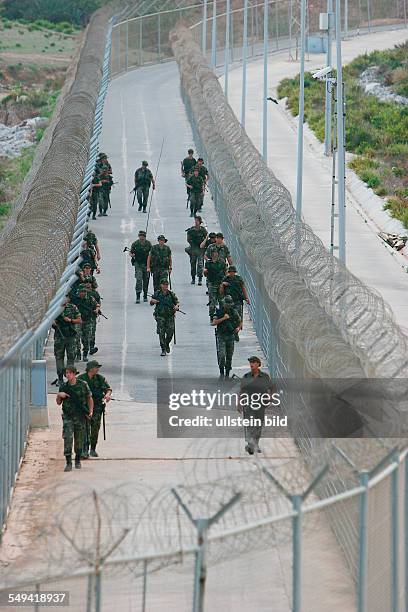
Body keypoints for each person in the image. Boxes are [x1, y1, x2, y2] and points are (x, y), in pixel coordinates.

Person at [56, 366, 93, 471]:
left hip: (80, 416)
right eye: (66, 373)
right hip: (68, 416)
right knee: (68, 437)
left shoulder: (83, 385)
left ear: (74, 374)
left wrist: (90, 411)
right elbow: (58, 403)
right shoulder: (63, 386)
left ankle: (77, 459)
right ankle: (68, 461)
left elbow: (89, 398)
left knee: (79, 438)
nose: (68, 375)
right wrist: (59, 395)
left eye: (70, 373)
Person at [239, 356, 273, 455]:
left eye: (254, 362)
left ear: (258, 364)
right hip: (248, 403)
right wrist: (239, 403)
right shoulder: (246, 376)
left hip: (260, 403)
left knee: (258, 424)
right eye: (250, 362)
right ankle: (250, 443)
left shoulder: (265, 376)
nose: (251, 364)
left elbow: (271, 387)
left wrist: (270, 397)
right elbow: (241, 390)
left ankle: (255, 443)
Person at [78, 361, 112, 458]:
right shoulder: (81, 379)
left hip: (97, 407)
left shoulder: (100, 378)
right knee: (85, 429)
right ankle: (85, 449)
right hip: (84, 408)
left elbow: (108, 389)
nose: (98, 369)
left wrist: (107, 395)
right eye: (96, 367)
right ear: (91, 368)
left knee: (95, 428)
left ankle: (93, 448)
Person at [52, 298, 82, 386]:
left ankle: (70, 379)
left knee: (71, 358)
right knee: (59, 357)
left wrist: (70, 320)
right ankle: (60, 378)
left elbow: (79, 320)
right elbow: (50, 320)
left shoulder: (72, 307)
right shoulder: (55, 308)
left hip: (70, 336)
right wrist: (54, 323)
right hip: (59, 336)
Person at [211, 295, 241, 379]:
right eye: (227, 303)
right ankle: (221, 372)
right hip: (222, 336)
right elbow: (213, 323)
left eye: (230, 304)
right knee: (222, 355)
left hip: (231, 336)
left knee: (229, 356)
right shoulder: (219, 312)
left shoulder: (234, 312)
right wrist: (223, 318)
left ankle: (227, 372)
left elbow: (239, 321)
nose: (229, 305)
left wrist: (238, 328)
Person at [150, 279, 179, 356]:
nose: (166, 286)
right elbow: (151, 302)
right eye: (164, 284)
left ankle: (167, 343)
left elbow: (177, 302)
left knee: (170, 332)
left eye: (167, 285)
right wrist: (153, 301)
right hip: (160, 316)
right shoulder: (157, 294)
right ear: (161, 285)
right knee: (161, 333)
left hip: (170, 316)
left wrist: (176, 306)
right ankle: (163, 348)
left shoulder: (171, 294)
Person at [72, 284, 100, 362]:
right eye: (82, 291)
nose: (83, 293)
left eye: (84, 291)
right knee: (76, 337)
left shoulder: (90, 298)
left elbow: (97, 305)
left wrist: (96, 310)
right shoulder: (75, 299)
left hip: (87, 320)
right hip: (78, 321)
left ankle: (85, 354)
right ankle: (77, 354)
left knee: (86, 338)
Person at [130, 230, 152, 303]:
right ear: (139, 236)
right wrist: (132, 255)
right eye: (140, 236)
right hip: (138, 264)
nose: (142, 237)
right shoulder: (135, 244)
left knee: (146, 280)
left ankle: (145, 295)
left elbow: (152, 253)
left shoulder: (148, 244)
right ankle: (138, 296)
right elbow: (131, 252)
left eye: (143, 236)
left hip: (146, 264)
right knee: (139, 279)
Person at [204, 249, 226, 319]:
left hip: (220, 284)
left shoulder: (222, 263)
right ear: (211, 254)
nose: (215, 254)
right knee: (212, 302)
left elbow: (225, 272)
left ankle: (221, 315)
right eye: (213, 253)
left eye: (216, 253)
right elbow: (205, 274)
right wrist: (205, 272)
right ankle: (212, 316)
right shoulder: (208, 263)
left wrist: (223, 283)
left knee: (222, 301)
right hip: (212, 283)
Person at [186, 215, 207, 285]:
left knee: (200, 264)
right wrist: (192, 244)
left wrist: (203, 244)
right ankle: (193, 278)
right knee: (193, 263)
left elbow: (206, 237)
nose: (196, 222)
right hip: (193, 248)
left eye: (197, 221)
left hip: (201, 249)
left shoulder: (203, 230)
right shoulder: (192, 230)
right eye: (195, 220)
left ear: (200, 222)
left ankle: (200, 279)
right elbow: (188, 239)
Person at [83, 275, 101, 355]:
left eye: (89, 282)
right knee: (84, 335)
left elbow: (98, 303)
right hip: (82, 317)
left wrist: (97, 310)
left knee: (92, 332)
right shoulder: (81, 293)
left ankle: (91, 347)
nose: (88, 284)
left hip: (92, 316)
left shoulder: (94, 293)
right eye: (86, 282)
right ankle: (86, 347)